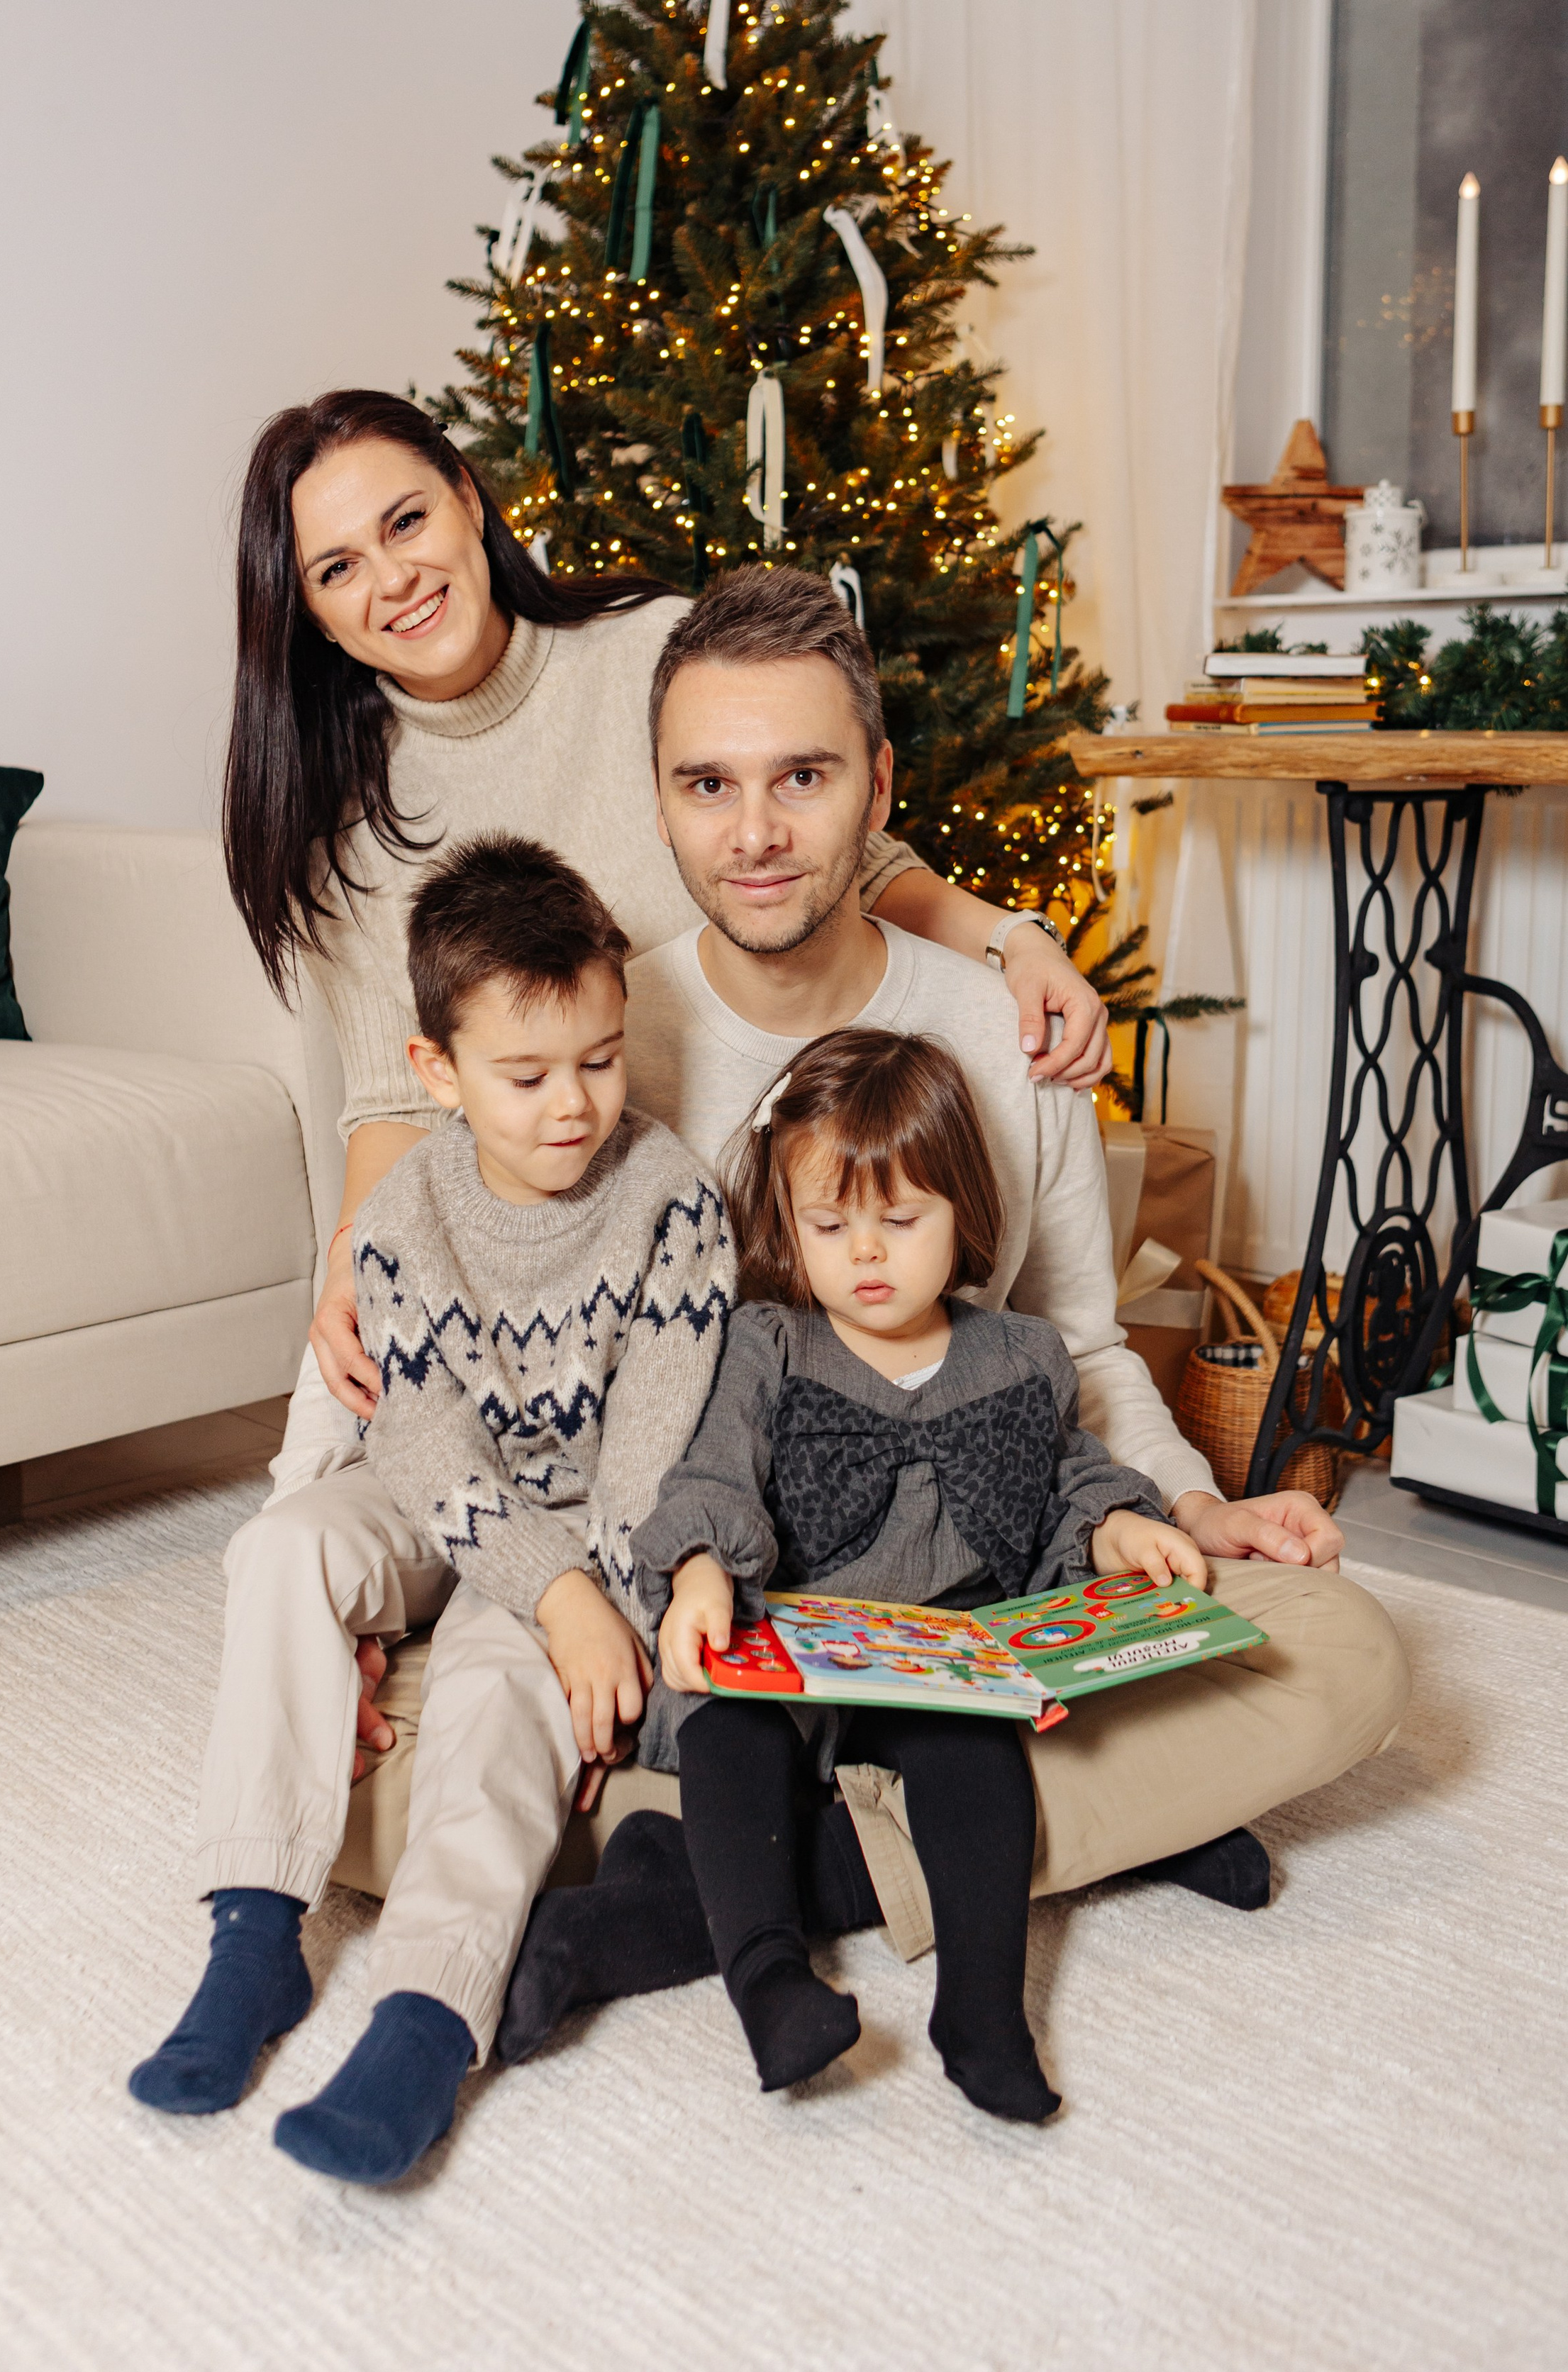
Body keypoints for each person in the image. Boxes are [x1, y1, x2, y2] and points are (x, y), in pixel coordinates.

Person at [492, 567, 1408, 2059]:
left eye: (803, 775)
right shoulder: (607, 1040)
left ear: (878, 789)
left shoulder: (993, 1024)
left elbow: (1073, 1339)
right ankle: (1087, 1831)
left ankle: (694, 1902)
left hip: (970, 1605)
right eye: (707, 785)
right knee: (449, 1768)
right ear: (656, 802)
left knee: (1346, 1653)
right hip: (717, 1610)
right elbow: (493, 1343)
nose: (756, 832)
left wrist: (1187, 1502)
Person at [221, 387, 1113, 1490]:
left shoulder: (652, 647)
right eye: (337, 567)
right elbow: (400, 1100)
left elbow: (836, 857)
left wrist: (1013, 942)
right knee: (362, 1388)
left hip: (760, 1145)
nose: (393, 578)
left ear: (467, 496)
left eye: (405, 522)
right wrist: (358, 1261)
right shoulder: (342, 819)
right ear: (309, 611)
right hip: (558, 1204)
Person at [130, 837, 733, 2184]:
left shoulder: (675, 1205)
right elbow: (419, 1441)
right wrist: (554, 1590)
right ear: (439, 1072)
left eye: (599, 1056)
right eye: (526, 1075)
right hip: (430, 1497)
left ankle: (424, 2016)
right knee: (284, 1546)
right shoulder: (402, 1215)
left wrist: (581, 1601)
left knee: (492, 1682)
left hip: (586, 1520)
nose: (573, 1103)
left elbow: (653, 1448)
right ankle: (254, 1938)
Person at [635, 1026, 1203, 2122]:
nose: (866, 1254)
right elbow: (713, 1471)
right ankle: (769, 1981)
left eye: (902, 1220)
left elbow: (1068, 1478)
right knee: (728, 1726)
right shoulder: (771, 1341)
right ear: (787, 1225)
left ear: (964, 1216)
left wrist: (1126, 1531)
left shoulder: (1020, 1355)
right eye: (830, 1224)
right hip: (792, 1636)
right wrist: (702, 1570)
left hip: (943, 1649)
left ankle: (982, 2010)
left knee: (977, 1756)